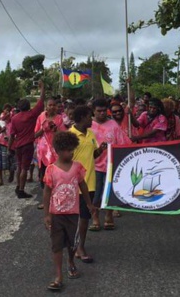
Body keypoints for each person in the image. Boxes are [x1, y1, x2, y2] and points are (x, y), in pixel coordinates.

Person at [43, 131, 94, 292]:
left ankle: (71, 261)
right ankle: (58, 276)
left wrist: (88, 203)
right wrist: (46, 214)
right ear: (58, 151)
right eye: (67, 150)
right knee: (57, 245)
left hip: (73, 213)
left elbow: (82, 185)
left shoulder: (77, 167)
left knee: (73, 243)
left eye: (72, 149)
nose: (71, 153)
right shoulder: (51, 169)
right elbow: (46, 191)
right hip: (56, 214)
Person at [69, 106, 107, 263]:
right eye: (89, 117)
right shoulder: (70, 135)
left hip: (89, 183)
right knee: (74, 218)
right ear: (82, 117)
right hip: (72, 183)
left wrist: (101, 150)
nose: (92, 119)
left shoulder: (91, 134)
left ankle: (80, 247)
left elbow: (93, 155)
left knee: (84, 217)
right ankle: (75, 247)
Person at [91, 99, 130, 230]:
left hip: (111, 165)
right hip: (93, 166)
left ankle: (108, 216)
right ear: (93, 111)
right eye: (98, 111)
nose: (101, 113)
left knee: (110, 192)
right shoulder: (88, 125)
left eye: (104, 111)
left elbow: (124, 143)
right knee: (95, 194)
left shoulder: (113, 124)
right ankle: (95, 218)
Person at [8, 80, 46, 198]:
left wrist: (9, 147)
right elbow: (41, 101)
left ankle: (18, 185)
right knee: (25, 167)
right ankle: (21, 190)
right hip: (28, 144)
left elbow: (11, 135)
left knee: (20, 166)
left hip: (17, 145)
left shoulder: (14, 118)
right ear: (29, 106)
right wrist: (42, 87)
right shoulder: (31, 114)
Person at [35, 97, 68, 207]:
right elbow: (35, 135)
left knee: (57, 176)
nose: (52, 107)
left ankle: (58, 199)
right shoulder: (41, 117)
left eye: (54, 105)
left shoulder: (60, 119)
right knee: (44, 177)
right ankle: (46, 201)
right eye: (50, 105)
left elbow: (64, 136)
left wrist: (55, 129)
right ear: (46, 106)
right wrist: (43, 129)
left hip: (56, 153)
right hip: (43, 153)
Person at [0, 104, 13, 186]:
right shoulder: (1, 120)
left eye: (8, 110)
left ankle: (11, 174)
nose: (6, 111)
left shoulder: (12, 122)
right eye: (5, 109)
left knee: (9, 162)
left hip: (8, 144)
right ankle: (0, 180)